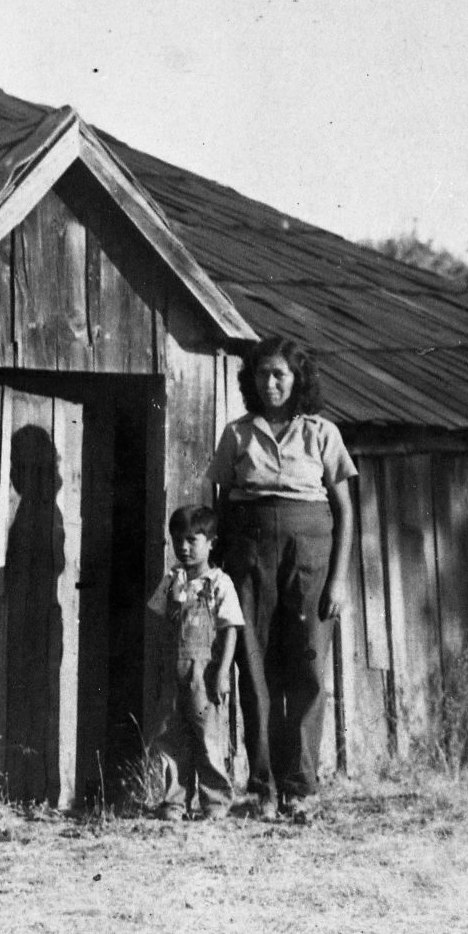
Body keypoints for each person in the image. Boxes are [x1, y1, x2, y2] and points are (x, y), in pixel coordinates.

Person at [206, 334, 357, 820]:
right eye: (261, 374)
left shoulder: (321, 432)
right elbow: (220, 505)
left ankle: (302, 787)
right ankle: (264, 787)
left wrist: (338, 580)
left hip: (309, 556)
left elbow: (345, 511)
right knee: (254, 670)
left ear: (297, 379)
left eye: (279, 375)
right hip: (250, 557)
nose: (269, 383)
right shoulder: (237, 434)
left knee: (307, 668)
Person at [142, 506, 244, 821]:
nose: (183, 548)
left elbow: (230, 629)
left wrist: (223, 672)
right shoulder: (171, 580)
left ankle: (215, 802)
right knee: (172, 739)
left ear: (211, 543)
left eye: (191, 540)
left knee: (207, 737)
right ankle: (175, 802)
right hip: (174, 674)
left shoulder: (218, 583)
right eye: (177, 540)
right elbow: (157, 619)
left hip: (205, 675)